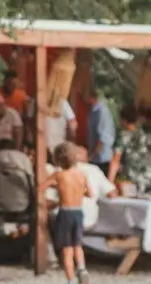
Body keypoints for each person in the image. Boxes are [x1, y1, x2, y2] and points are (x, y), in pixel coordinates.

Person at [41, 142, 91, 284]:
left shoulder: (59, 175)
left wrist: (57, 188)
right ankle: (82, 268)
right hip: (78, 212)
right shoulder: (81, 175)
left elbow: (42, 187)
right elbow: (90, 193)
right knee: (77, 245)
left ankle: (71, 280)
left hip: (65, 213)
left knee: (66, 249)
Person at [109, 105, 151, 196]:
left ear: (123, 120)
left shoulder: (123, 136)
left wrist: (109, 184)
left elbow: (115, 161)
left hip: (134, 182)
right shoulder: (147, 136)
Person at [85, 89, 115, 175]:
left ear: (91, 97)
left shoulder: (101, 112)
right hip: (95, 156)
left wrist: (91, 155)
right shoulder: (93, 110)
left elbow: (102, 138)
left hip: (101, 158)